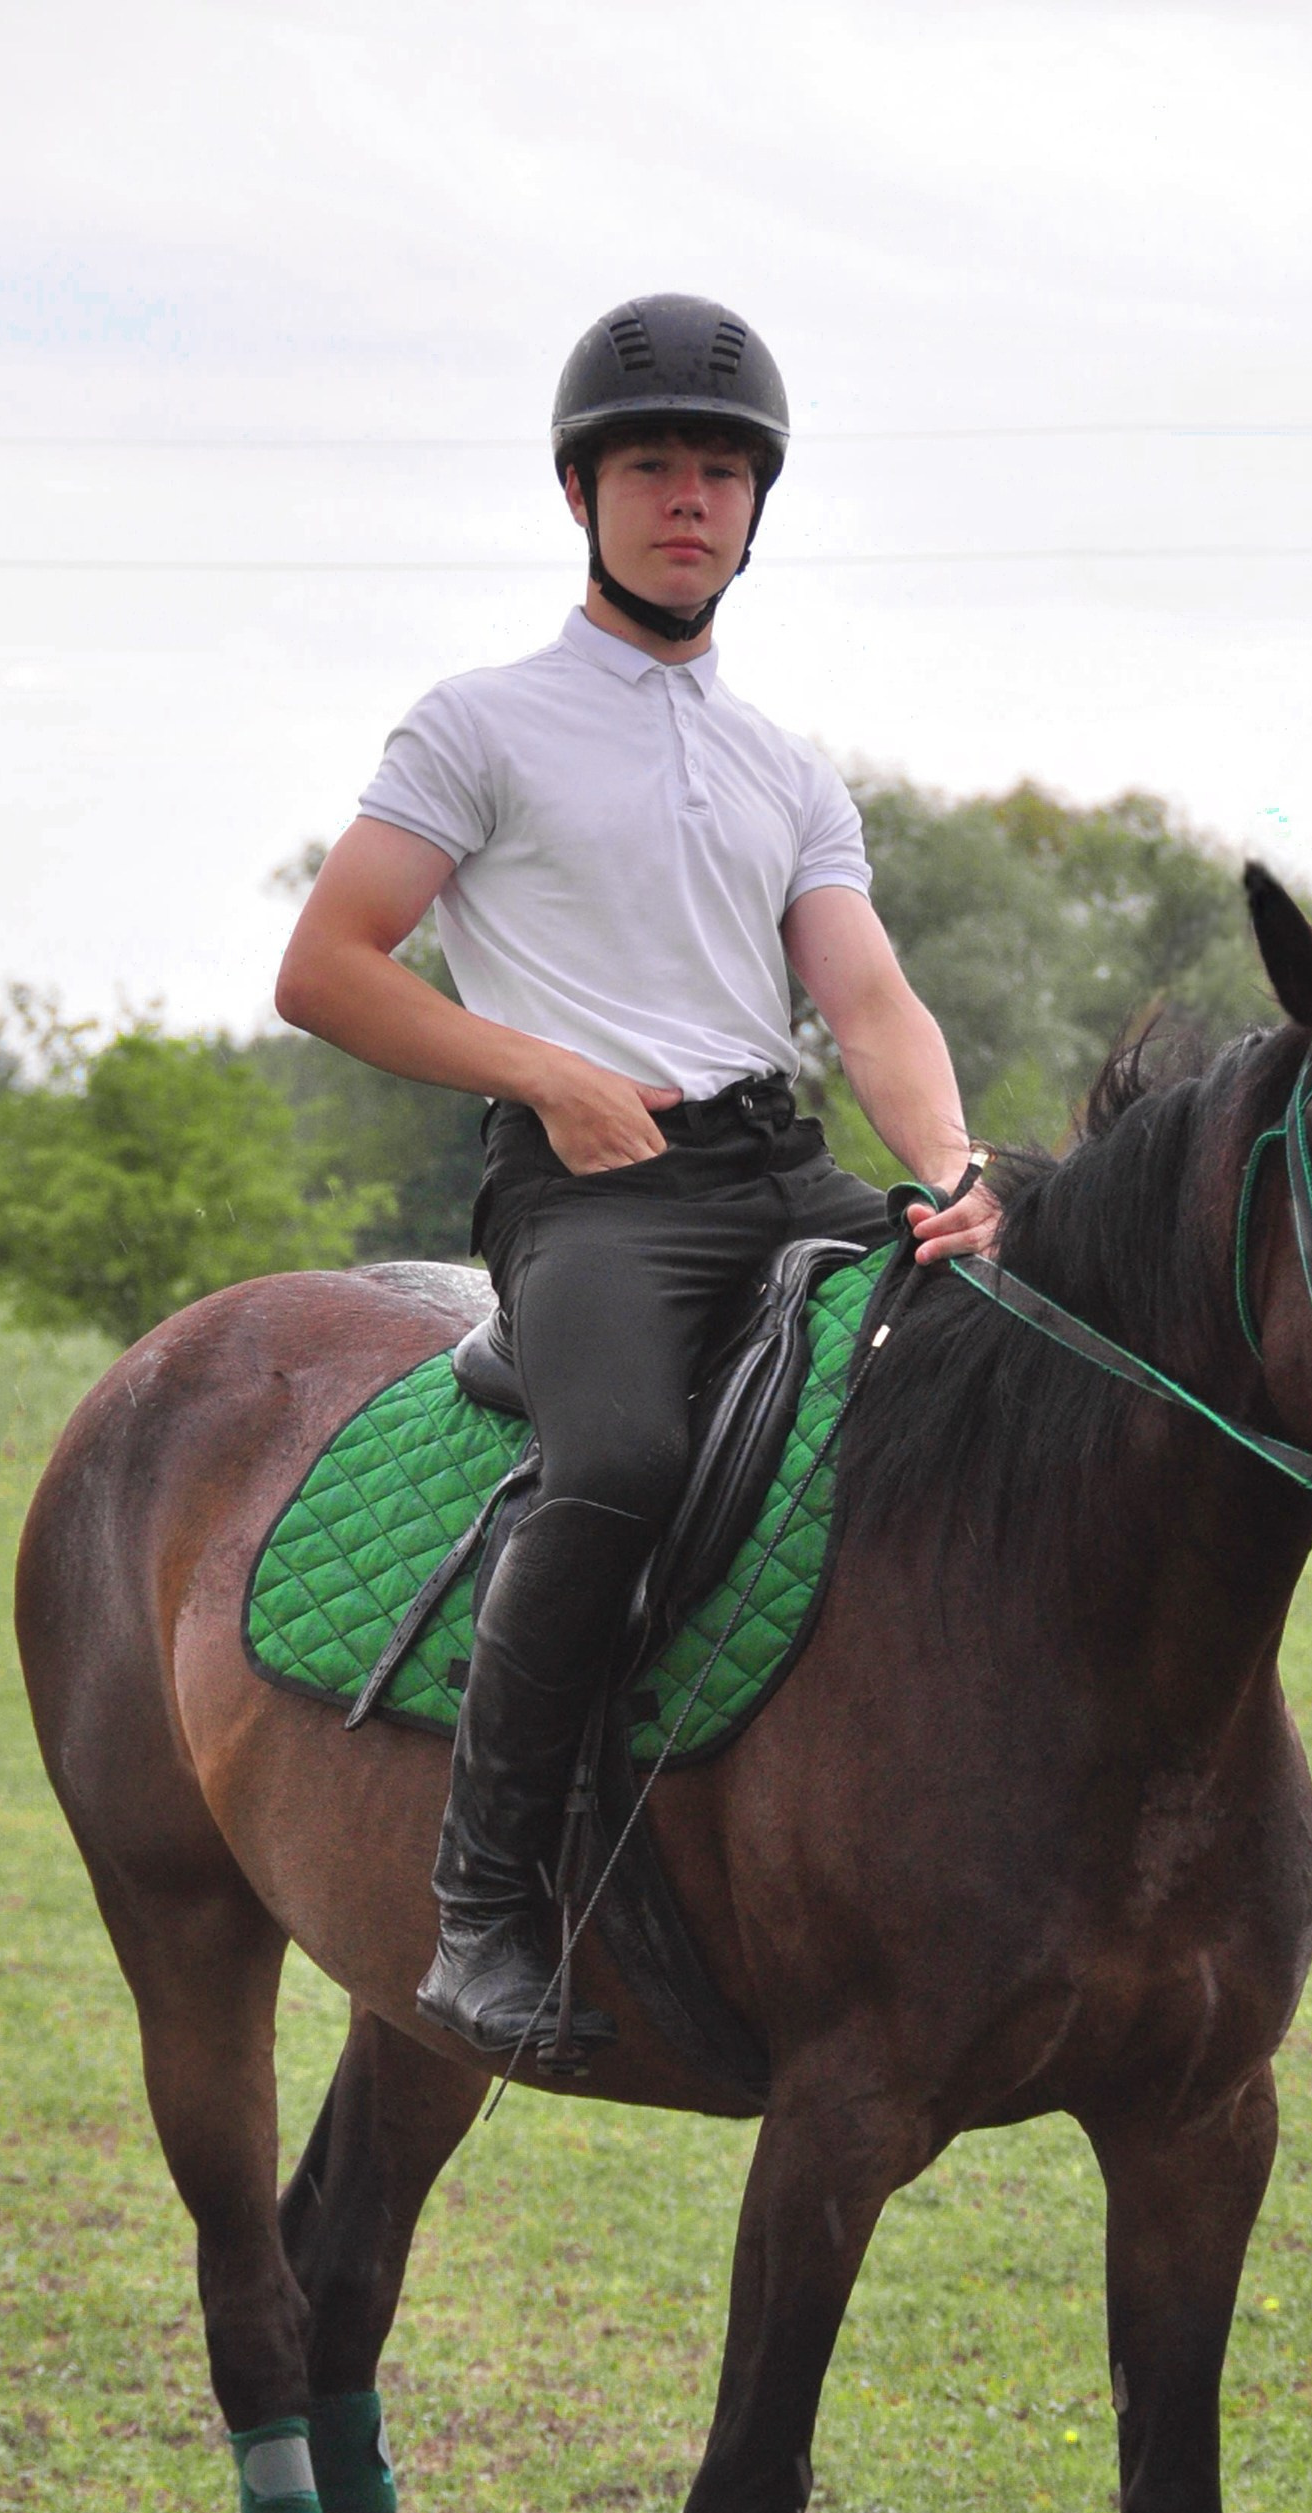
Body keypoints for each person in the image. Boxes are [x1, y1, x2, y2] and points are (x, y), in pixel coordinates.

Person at [276, 292, 1000, 2058]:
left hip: (777, 1167)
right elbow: (328, 966)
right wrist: (541, 1070)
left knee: (1010, 1354)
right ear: (583, 494)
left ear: (758, 509)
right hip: (591, 1193)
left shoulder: (784, 769)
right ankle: (486, 1907)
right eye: (654, 466)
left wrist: (955, 1168)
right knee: (617, 1459)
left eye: (722, 471)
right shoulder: (479, 725)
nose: (690, 498)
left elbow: (869, 997)